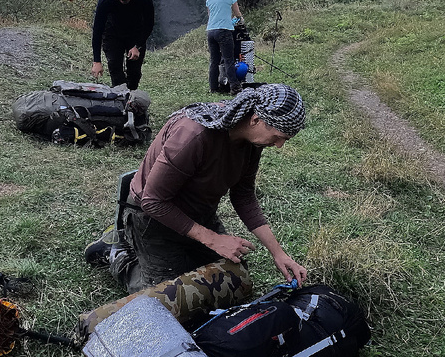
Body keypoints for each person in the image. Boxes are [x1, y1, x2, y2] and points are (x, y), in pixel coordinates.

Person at [112, 84, 308, 292]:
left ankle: (177, 255)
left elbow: (243, 196)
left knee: (234, 281)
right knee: (168, 298)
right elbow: (152, 201)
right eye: (278, 137)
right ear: (256, 120)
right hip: (154, 219)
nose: (278, 145)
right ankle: (119, 254)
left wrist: (279, 253)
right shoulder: (193, 135)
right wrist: (213, 239)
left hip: (199, 215)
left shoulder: (252, 141)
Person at [92, 0, 155, 90]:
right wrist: (97, 61)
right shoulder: (106, 0)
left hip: (135, 33)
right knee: (115, 68)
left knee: (134, 72)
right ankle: (120, 99)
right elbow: (97, 30)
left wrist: (138, 45)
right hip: (112, 34)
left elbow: (149, 24)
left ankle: (132, 98)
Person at [205, 0, 242, 94]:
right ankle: (234, 87)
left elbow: (210, 15)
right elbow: (238, 14)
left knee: (214, 60)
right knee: (228, 59)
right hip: (224, 31)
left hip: (210, 31)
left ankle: (213, 87)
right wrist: (236, 21)